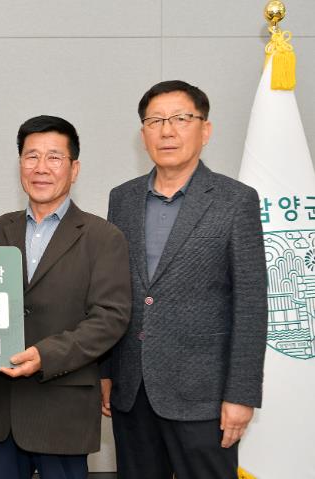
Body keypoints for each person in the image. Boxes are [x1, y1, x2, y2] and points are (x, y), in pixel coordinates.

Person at [101, 80, 268, 478]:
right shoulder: (121, 199)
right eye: (155, 121)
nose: (167, 131)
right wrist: (106, 372)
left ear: (205, 130)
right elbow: (112, 293)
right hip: (132, 390)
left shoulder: (235, 200)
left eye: (180, 118)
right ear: (143, 134)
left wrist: (241, 395)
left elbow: (251, 304)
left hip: (204, 397)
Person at [0, 115, 131, 479]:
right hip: (0, 413)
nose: (41, 168)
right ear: (20, 165)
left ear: (74, 169)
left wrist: (46, 355)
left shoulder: (103, 237)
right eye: (31, 156)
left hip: (64, 412)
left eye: (54, 157)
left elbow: (110, 318)